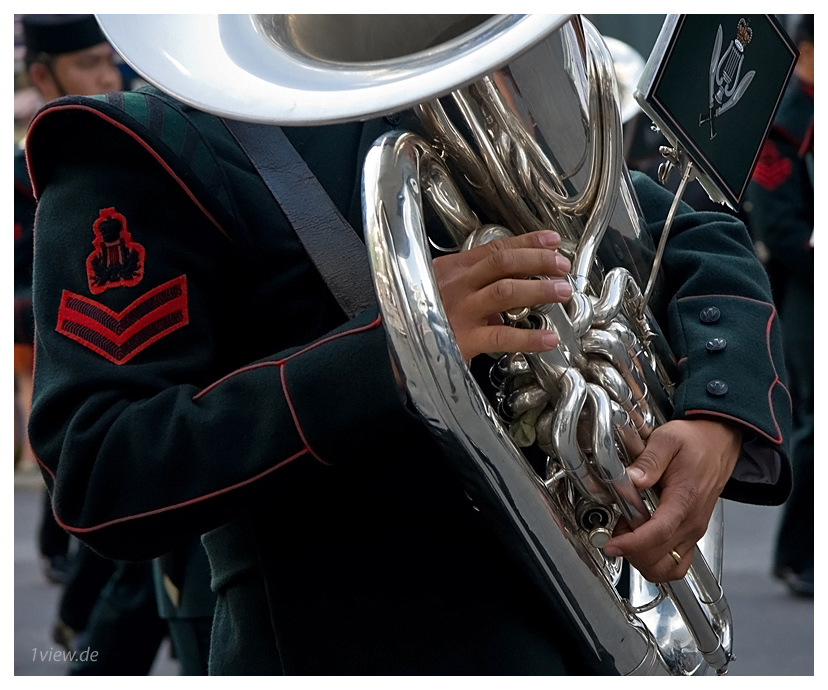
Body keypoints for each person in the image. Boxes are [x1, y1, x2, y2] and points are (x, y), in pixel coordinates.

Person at [25, 16, 791, 675]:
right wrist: (397, 348)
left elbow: (682, 228)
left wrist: (716, 414)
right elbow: (104, 465)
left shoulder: (467, 98)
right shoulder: (143, 147)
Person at [16, 12, 124, 586]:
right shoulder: (20, 175)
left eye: (109, 59)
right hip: (45, 333)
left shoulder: (137, 151)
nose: (108, 77)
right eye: (88, 63)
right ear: (42, 74)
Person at [745, 14, 813, 598]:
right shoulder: (784, 129)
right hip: (806, 295)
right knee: (814, 429)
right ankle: (797, 555)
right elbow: (778, 224)